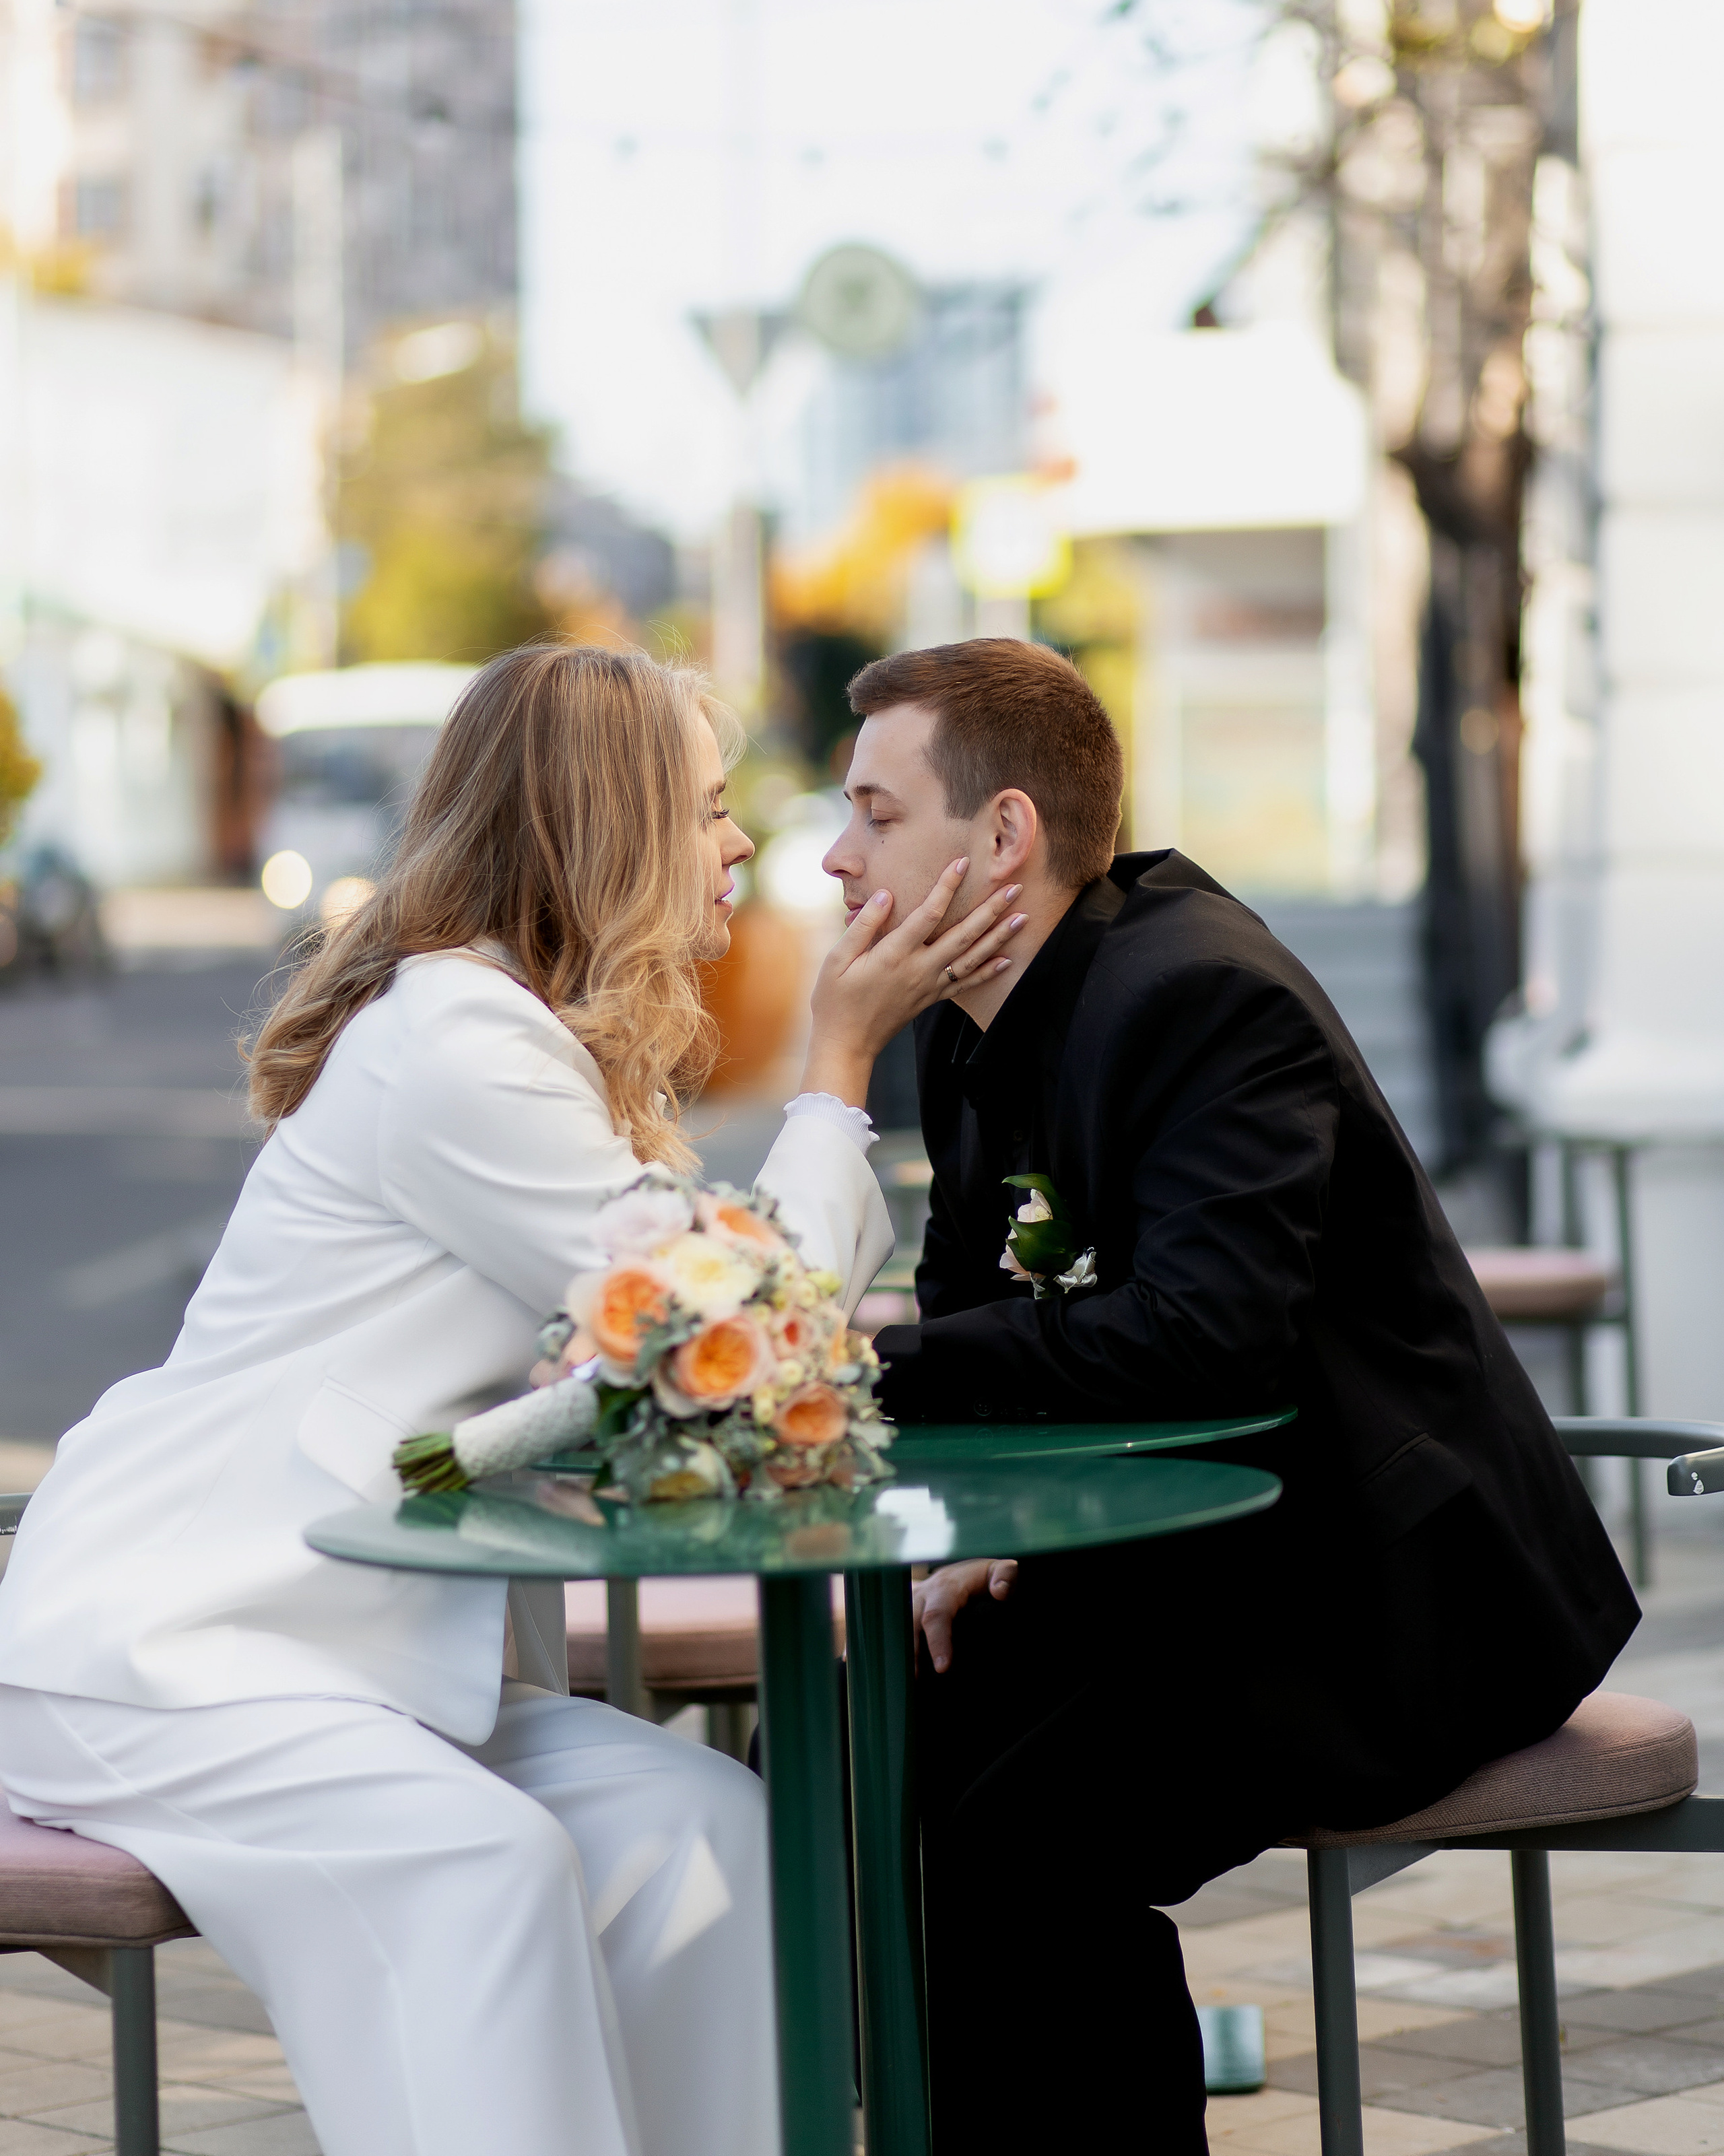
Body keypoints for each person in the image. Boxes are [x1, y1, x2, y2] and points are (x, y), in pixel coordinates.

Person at [0, 642, 1022, 2156]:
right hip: (177, 1649)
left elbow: (712, 1334)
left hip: (360, 1662)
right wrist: (837, 1062)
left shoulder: (529, 1039)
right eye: (706, 806)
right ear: (602, 827)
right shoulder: (456, 1040)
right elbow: (745, 1337)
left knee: (709, 1833)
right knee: (481, 1872)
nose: (741, 841)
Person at [819, 636, 1640, 2156]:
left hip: (1387, 1593)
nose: (831, 854)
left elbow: (1203, 1340)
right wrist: (988, 1535)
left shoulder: (1197, 993)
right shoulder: (962, 1022)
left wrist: (851, 1373)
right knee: (855, 1767)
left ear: (999, 834)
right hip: (1193, 1559)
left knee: (1010, 1833)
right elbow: (971, 1302)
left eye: (873, 810)